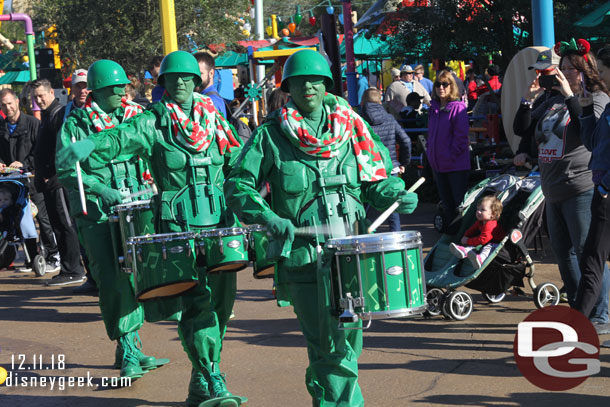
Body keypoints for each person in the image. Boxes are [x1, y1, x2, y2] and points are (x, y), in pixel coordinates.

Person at [224, 49, 418, 407]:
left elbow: (375, 180)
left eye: (315, 80)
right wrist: (268, 217)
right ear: (289, 88)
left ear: (327, 85)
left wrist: (397, 194)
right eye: (299, 81)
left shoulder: (352, 128)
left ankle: (324, 395)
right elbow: (237, 186)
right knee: (330, 346)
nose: (308, 86)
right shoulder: (270, 136)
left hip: (352, 256)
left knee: (347, 344)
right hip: (303, 261)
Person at [57, 51, 245, 407]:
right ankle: (209, 374)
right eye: (171, 79)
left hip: (218, 222)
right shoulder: (152, 121)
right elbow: (118, 139)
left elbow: (238, 161)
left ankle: (200, 379)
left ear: (198, 81)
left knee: (221, 305)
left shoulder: (214, 119)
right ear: (163, 86)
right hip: (173, 225)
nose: (180, 84)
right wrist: (89, 145)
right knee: (187, 300)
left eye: (186, 78)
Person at [57, 60, 168, 379]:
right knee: (111, 280)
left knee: (136, 279)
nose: (122, 91)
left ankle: (129, 345)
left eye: (124, 86)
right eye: (115, 87)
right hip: (97, 214)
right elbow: (66, 169)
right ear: (98, 91)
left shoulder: (136, 118)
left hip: (136, 206)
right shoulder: (75, 124)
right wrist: (99, 188)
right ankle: (129, 348)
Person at [513, 40, 610, 332]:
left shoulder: (595, 99)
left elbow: (588, 136)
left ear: (587, 71)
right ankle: (579, 310)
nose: (565, 72)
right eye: (563, 67)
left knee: (588, 254)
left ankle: (600, 315)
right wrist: (527, 100)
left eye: (572, 69)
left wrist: (571, 96)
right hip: (551, 187)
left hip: (580, 185)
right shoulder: (551, 98)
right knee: (563, 253)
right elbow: (523, 129)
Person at [31, 79, 87, 286]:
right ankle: (68, 267)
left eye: (41, 95)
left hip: (58, 179)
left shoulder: (59, 114)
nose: (39, 100)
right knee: (57, 224)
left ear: (51, 93)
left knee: (65, 224)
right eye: (35, 97)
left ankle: (74, 269)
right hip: (49, 180)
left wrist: (51, 172)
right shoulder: (48, 115)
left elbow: (61, 146)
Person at [0, 87, 60, 273]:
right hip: (10, 184)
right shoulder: (1, 128)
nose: (8, 107)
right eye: (4, 105)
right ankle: (28, 258)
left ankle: (52, 255)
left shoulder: (33, 123)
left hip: (33, 180)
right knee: (14, 218)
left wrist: (24, 164)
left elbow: (39, 151)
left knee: (43, 219)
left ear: (17, 101)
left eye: (10, 103)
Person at [573, 44, 610, 334]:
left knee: (592, 262)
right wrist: (584, 110)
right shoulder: (607, 106)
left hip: (605, 193)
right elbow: (591, 145)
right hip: (603, 193)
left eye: (601, 71)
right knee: (591, 260)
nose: (596, 76)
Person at [361, 87, 411, 232]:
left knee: (364, 207)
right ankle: (396, 241)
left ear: (363, 102)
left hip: (368, 169)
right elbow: (406, 141)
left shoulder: (359, 120)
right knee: (392, 208)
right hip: (391, 168)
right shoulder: (389, 118)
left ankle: (364, 240)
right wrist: (402, 162)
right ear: (380, 101)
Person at [426, 70, 470, 218]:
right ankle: (450, 235)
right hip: (439, 165)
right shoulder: (433, 109)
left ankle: (462, 236)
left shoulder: (458, 108)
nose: (441, 88)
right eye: (438, 84)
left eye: (445, 84)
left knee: (459, 205)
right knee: (447, 206)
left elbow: (461, 138)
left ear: (452, 86)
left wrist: (450, 156)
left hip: (455, 165)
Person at [449, 196, 505, 268]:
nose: (478, 211)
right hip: (487, 241)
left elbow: (483, 240)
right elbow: (471, 230)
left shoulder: (490, 225)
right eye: (478, 209)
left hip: (497, 243)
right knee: (476, 242)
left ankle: (481, 259)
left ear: (493, 214)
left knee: (487, 248)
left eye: (483, 210)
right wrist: (466, 236)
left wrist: (468, 241)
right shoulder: (480, 222)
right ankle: (464, 251)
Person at [194, 51, 227, 117]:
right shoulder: (211, 98)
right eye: (193, 74)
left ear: (211, 73)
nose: (195, 78)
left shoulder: (210, 102)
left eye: (200, 73)